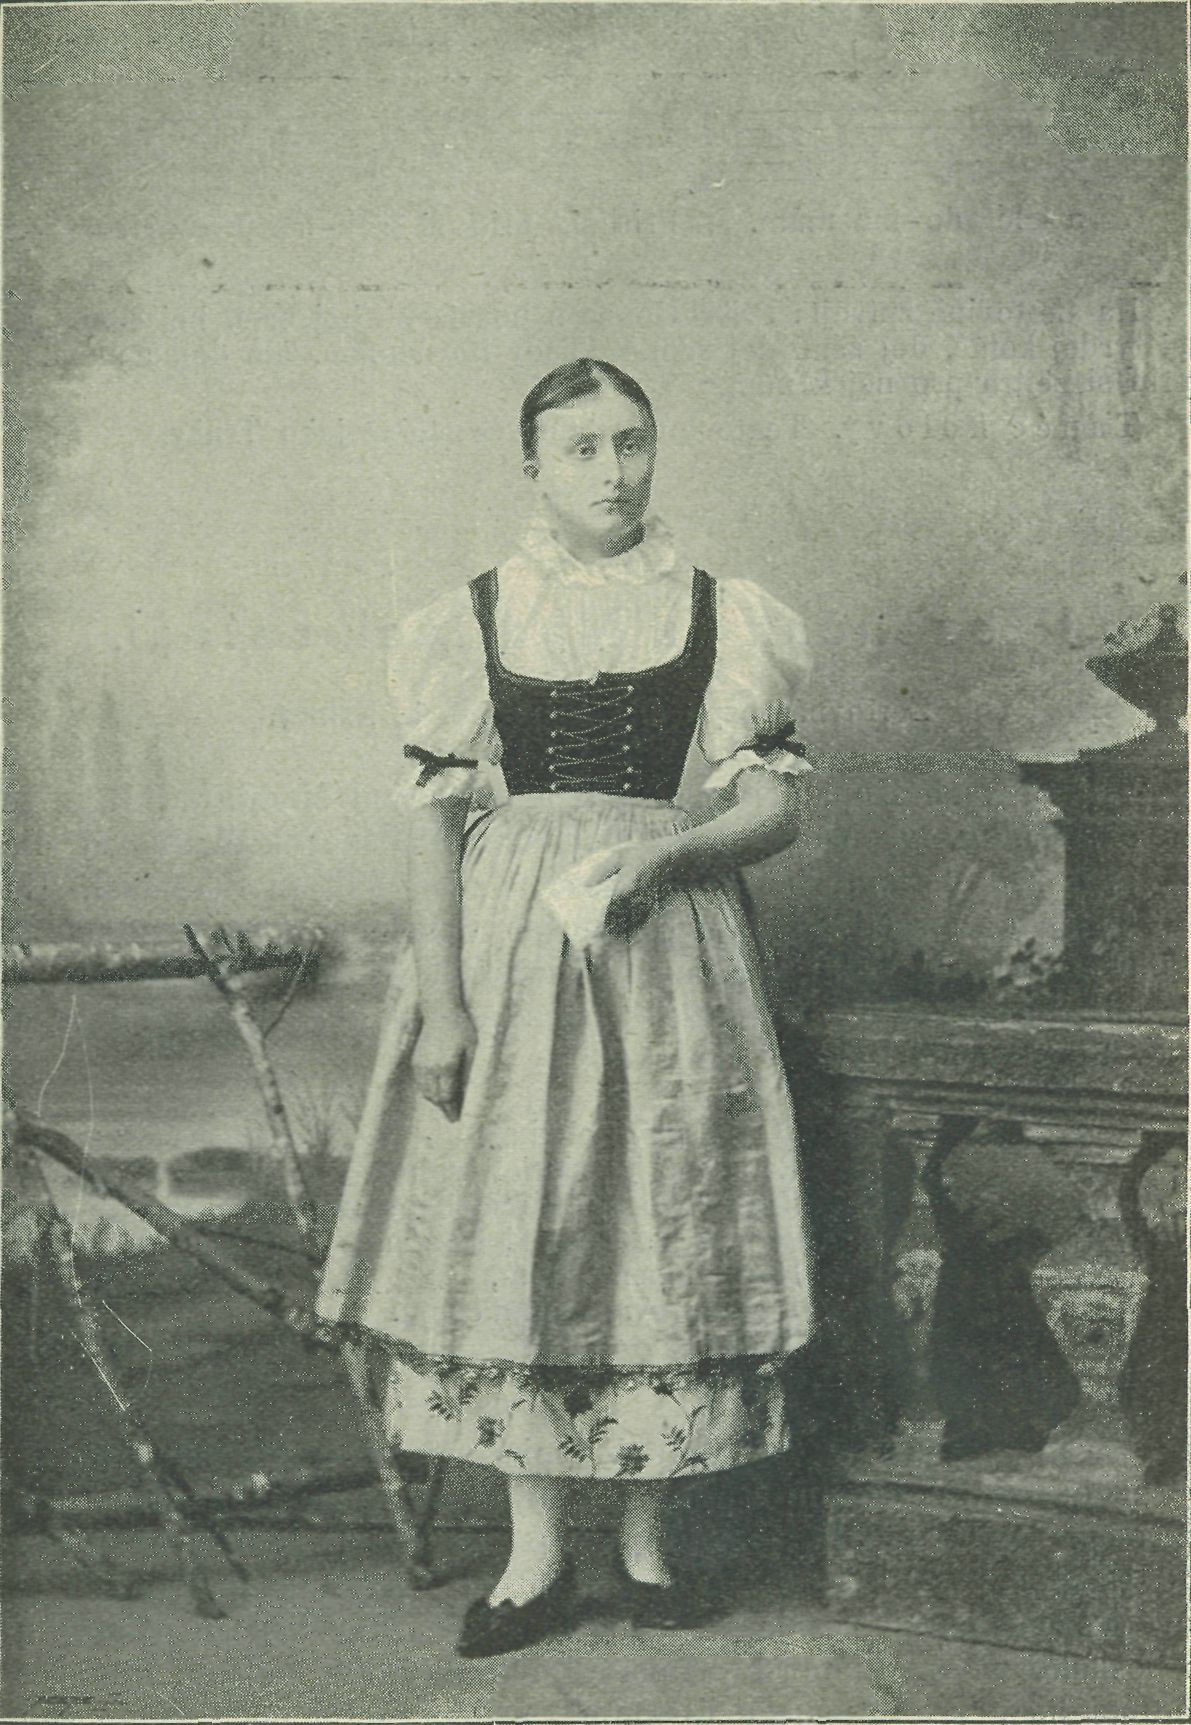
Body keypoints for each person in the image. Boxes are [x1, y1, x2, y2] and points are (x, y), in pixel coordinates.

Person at [317, 358, 814, 1657]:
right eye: (582, 447)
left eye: (632, 442)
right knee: (523, 1217)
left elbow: (772, 808)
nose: (614, 470)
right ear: (533, 467)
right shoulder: (474, 615)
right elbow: (434, 831)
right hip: (514, 944)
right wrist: (444, 1007)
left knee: (663, 1211)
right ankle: (534, 1558)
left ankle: (645, 1547)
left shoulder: (719, 609)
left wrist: (670, 856)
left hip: (668, 945)